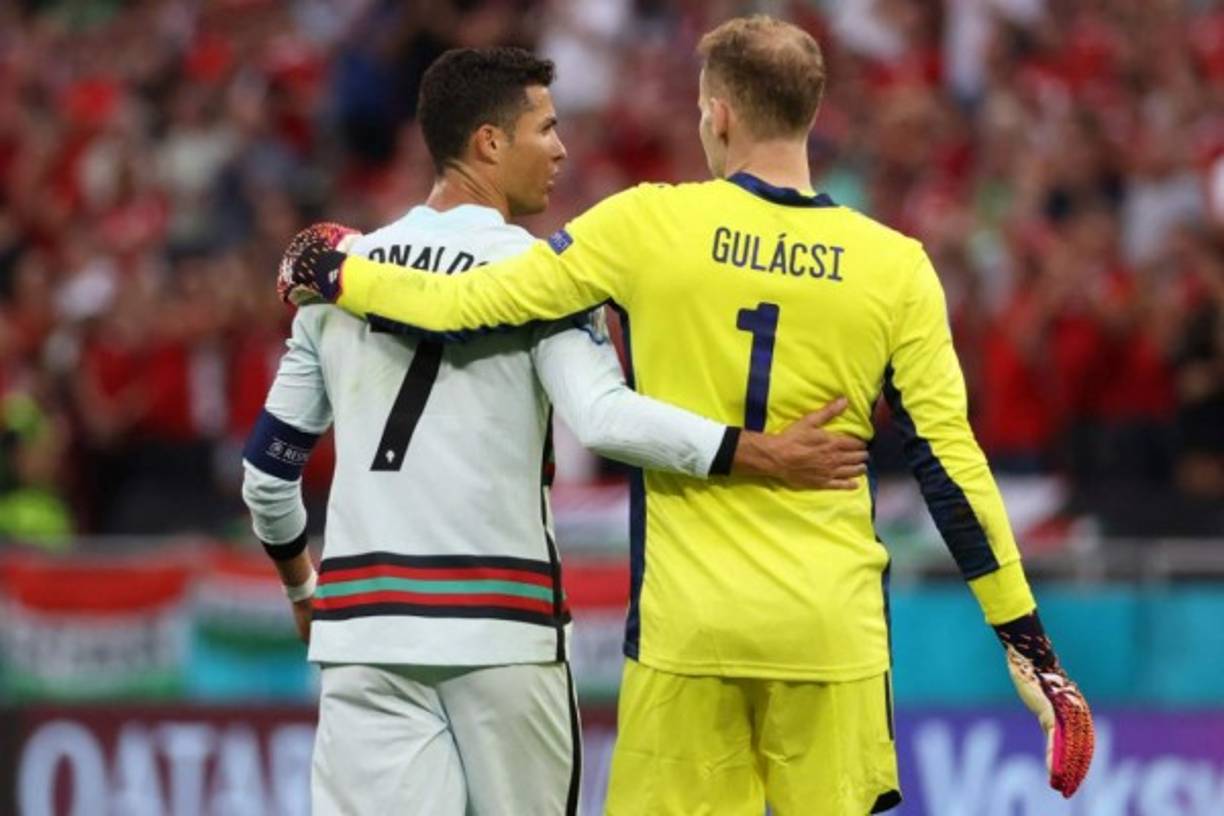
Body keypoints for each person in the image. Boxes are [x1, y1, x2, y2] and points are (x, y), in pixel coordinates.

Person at [277, 16, 1094, 815]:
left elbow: (467, 304)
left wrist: (340, 272)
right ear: (811, 113)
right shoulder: (897, 267)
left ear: (719, 114)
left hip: (686, 635)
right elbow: (951, 469)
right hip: (829, 631)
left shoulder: (646, 224)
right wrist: (1029, 646)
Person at [243, 46, 868, 816]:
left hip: (364, 629)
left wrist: (301, 587)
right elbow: (603, 417)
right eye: (545, 128)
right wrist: (758, 451)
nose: (562, 149)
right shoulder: (546, 275)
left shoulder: (336, 275)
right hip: (502, 626)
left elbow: (267, 477)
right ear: (489, 143)